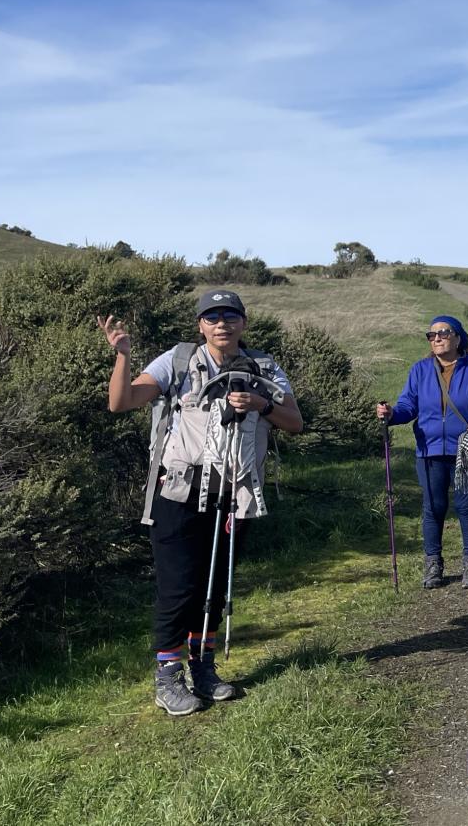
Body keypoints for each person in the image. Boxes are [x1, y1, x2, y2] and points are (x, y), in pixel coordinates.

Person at [98, 289, 304, 716]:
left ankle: (203, 668)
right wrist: (122, 356)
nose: (222, 323)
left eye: (230, 315)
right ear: (200, 325)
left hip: (233, 494)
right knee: (179, 587)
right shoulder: (177, 360)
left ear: (244, 323)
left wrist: (262, 403)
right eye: (212, 317)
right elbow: (121, 402)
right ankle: (168, 679)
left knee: (214, 587)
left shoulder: (263, 367)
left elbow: (295, 422)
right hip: (177, 491)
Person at [375, 315, 468, 589]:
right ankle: (433, 564)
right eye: (432, 335)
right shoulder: (420, 371)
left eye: (443, 333)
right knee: (433, 508)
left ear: (458, 337)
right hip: (429, 450)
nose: (437, 338)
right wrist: (391, 413)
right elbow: (408, 406)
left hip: (465, 449)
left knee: (466, 507)